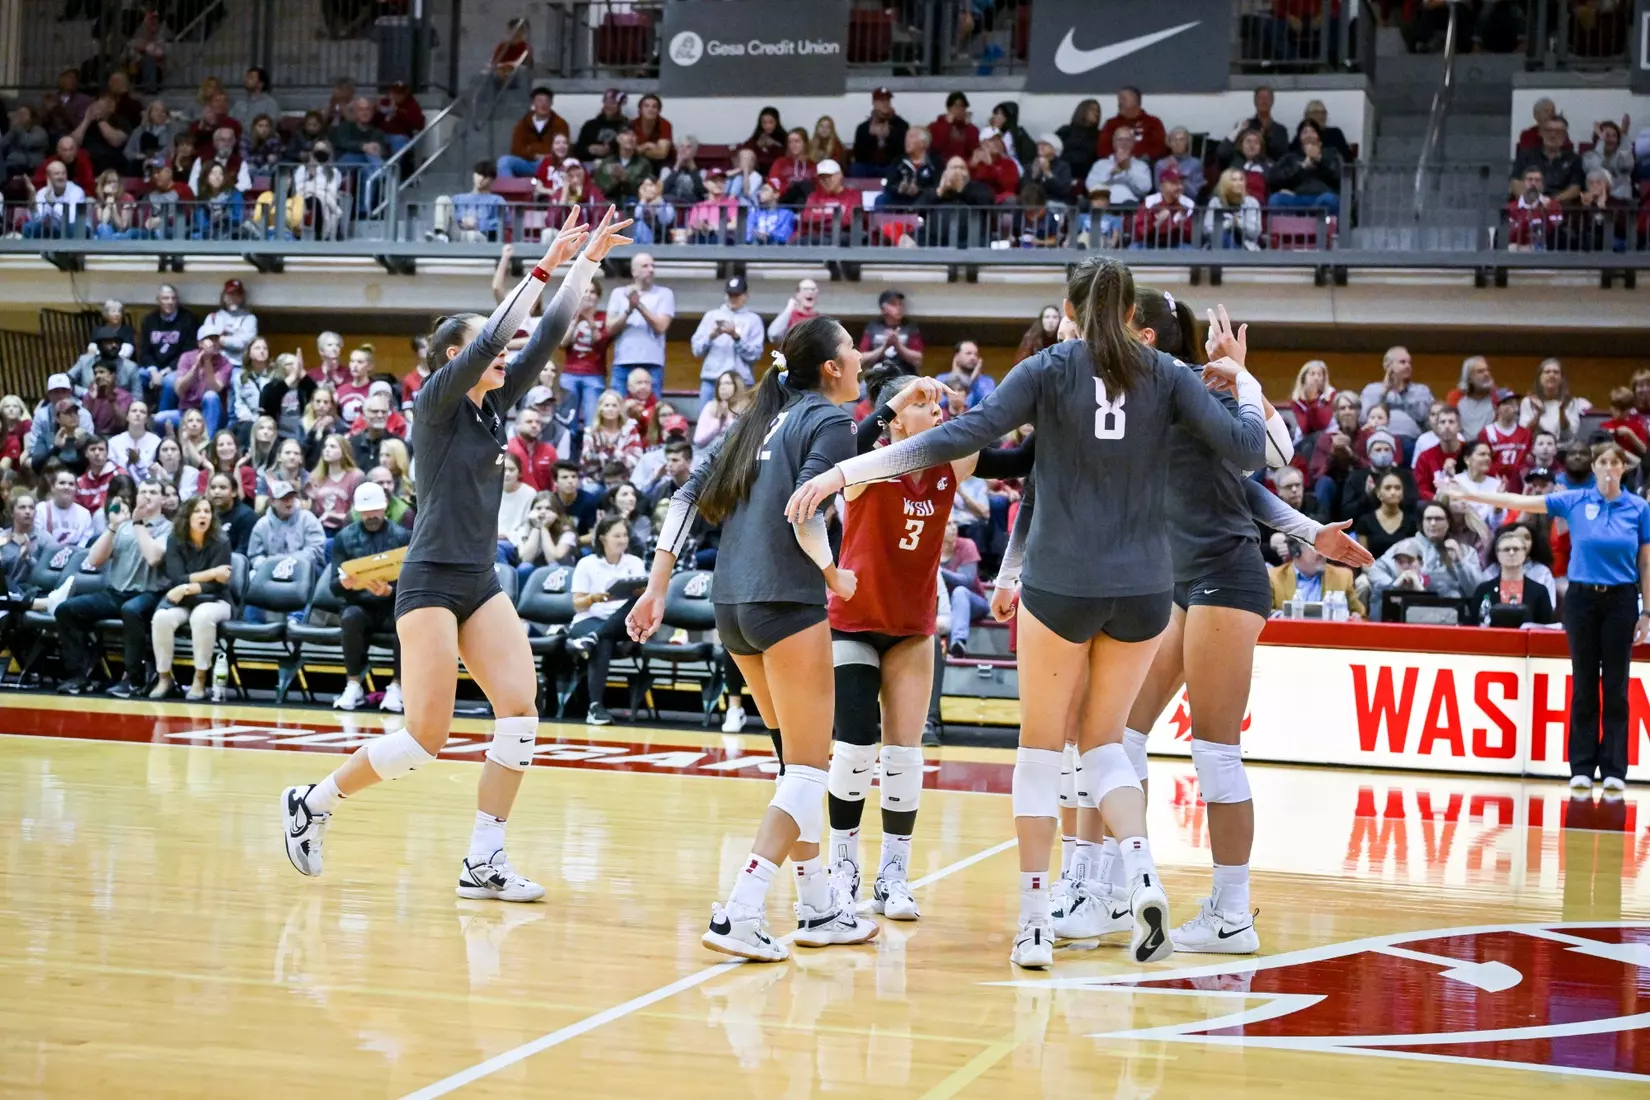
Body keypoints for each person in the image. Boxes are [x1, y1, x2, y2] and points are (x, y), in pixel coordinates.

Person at [788, 259, 1271, 970]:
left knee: (1042, 752)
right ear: (1129, 309)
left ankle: (1037, 924)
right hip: (1143, 587)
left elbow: (961, 436)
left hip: (1064, 580)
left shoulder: (1051, 367)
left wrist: (847, 470)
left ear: (1071, 311)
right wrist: (1248, 384)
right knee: (1108, 745)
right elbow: (1250, 450)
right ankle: (1139, 876)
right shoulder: (1166, 372)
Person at [280, 209, 628, 903]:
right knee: (423, 737)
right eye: (488, 352)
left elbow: (547, 330)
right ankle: (311, 803)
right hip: (429, 579)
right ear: (453, 357)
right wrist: (539, 266)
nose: (504, 358)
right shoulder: (436, 401)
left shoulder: (495, 406)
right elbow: (501, 331)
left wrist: (584, 262)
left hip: (479, 578)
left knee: (521, 715)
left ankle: (484, 861)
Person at [627, 317, 875, 963]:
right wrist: (830, 572)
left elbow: (683, 497)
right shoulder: (827, 419)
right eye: (852, 346)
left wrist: (657, 588)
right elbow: (806, 508)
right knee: (810, 768)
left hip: (731, 604)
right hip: (785, 601)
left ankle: (819, 904)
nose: (860, 355)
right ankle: (742, 909)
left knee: (795, 762)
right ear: (830, 367)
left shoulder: (755, 420)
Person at [1452, 444, 1650, 793]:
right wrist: (1471, 493)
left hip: (1621, 600)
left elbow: (1646, 563)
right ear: (1594, 466)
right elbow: (1520, 503)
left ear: (1622, 469)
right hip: (1581, 599)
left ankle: (1616, 769)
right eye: (1602, 462)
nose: (1608, 468)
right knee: (1585, 684)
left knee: (1616, 686)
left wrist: (1647, 611)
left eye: (1614, 463)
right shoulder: (1575, 500)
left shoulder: (1639, 508)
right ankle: (1582, 767)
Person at [52, 482, 170, 697]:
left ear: (163, 499)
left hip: (149, 594)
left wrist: (138, 524)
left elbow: (153, 558)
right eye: (143, 492)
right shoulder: (123, 526)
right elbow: (95, 560)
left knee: (131, 610)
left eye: (153, 492)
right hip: (116, 593)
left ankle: (133, 679)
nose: (147, 496)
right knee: (66, 610)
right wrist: (113, 526)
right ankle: (80, 676)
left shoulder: (168, 528)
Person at [330, 481, 411, 713]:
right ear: (356, 511)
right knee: (350, 617)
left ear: (385, 507)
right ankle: (353, 684)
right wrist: (346, 584)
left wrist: (390, 591)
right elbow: (333, 587)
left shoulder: (403, 536)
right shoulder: (343, 538)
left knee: (406, 620)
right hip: (360, 605)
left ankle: (398, 686)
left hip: (393, 605)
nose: (371, 516)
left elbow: (414, 583)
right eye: (365, 512)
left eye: (375, 510)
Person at [148, 495, 233, 700]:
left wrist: (186, 588)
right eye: (197, 511)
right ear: (187, 516)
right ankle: (164, 678)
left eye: (207, 511)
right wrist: (211, 573)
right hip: (183, 601)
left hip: (216, 600)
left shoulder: (221, 541)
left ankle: (200, 678)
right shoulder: (175, 539)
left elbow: (217, 584)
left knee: (202, 617)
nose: (203, 515)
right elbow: (176, 577)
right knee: (161, 618)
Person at [566, 515, 647, 725]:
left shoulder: (635, 562)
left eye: (625, 535)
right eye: (616, 535)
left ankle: (593, 637)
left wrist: (640, 591)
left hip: (623, 621)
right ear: (602, 538)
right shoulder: (587, 563)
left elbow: (642, 600)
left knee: (637, 605)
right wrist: (593, 598)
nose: (622, 540)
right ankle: (595, 707)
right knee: (604, 641)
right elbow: (577, 604)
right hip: (589, 618)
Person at [604, 252, 672, 397]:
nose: (651, 269)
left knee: (652, 412)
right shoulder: (618, 293)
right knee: (619, 409)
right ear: (634, 271)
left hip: (652, 362)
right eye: (645, 266)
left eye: (653, 266)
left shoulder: (665, 294)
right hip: (623, 361)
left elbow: (661, 327)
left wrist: (638, 306)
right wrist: (628, 310)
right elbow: (609, 328)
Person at [690, 275, 764, 408]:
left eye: (737, 294)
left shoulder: (754, 320)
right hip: (711, 380)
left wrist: (736, 337)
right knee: (707, 422)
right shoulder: (711, 316)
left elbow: (755, 356)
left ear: (746, 295)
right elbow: (696, 350)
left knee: (739, 423)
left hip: (741, 381)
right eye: (730, 294)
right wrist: (711, 336)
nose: (733, 298)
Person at [1472, 528, 1556, 626]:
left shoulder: (1540, 591)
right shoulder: (1483, 590)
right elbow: (1473, 624)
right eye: (1506, 549)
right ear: (1497, 554)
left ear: (1524, 553)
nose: (1511, 553)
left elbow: (1547, 627)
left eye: (1516, 549)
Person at [247, 478, 325, 573]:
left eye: (291, 497)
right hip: (272, 570)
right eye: (283, 498)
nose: (289, 501)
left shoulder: (308, 518)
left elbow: (316, 549)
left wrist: (289, 562)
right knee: (252, 575)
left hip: (303, 568)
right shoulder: (262, 525)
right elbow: (255, 555)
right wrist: (270, 565)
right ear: (272, 502)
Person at [1354, 471, 1418, 558]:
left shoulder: (1412, 522)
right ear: (1378, 493)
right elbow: (1363, 560)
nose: (1393, 492)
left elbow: (1414, 556)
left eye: (1397, 488)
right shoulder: (1365, 521)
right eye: (1388, 488)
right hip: (1373, 569)